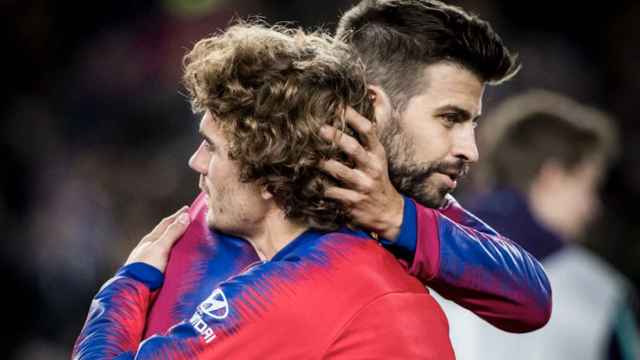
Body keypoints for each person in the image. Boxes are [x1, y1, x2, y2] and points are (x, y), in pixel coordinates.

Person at [145, 0, 552, 338]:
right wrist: (124, 288)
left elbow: (531, 301)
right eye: (450, 118)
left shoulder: (398, 201)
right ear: (374, 107)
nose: (470, 150)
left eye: (473, 123)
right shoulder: (248, 193)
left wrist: (396, 218)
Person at [73, 23, 455, 358]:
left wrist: (130, 280)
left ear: (271, 176)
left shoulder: (290, 293)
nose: (197, 162)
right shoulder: (362, 267)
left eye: (212, 147)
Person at [440, 89, 640, 359]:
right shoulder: (599, 292)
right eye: (588, 186)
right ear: (553, 178)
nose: (592, 208)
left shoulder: (416, 258)